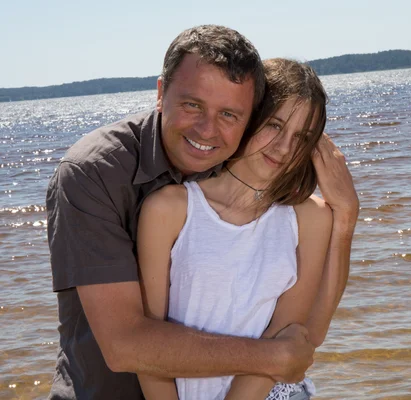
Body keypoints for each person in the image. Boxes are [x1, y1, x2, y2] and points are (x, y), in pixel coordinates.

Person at [46, 25, 358, 400]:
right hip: (105, 389)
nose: (208, 130)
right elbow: (127, 345)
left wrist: (345, 215)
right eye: (193, 104)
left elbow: (302, 335)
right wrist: (272, 357)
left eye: (229, 114)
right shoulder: (97, 174)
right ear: (161, 93)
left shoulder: (295, 211)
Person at [137, 58, 333, 400]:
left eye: (301, 137)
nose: (285, 148)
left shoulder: (309, 217)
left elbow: (287, 333)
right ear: (249, 116)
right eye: (274, 125)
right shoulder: (168, 209)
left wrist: (346, 212)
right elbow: (148, 342)